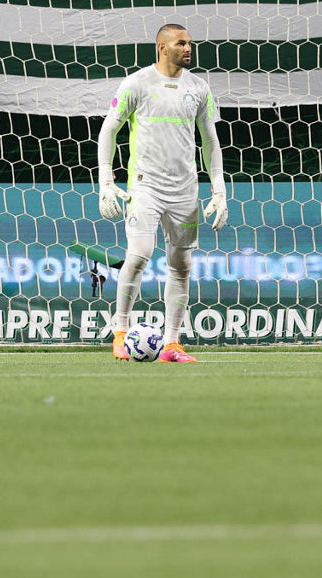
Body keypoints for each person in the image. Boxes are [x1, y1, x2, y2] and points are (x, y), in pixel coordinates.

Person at [96, 23, 227, 362]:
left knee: (180, 265)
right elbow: (109, 129)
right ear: (162, 47)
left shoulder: (199, 87)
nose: (188, 48)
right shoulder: (137, 83)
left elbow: (210, 141)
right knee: (138, 254)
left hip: (185, 189)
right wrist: (106, 181)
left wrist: (219, 191)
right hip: (145, 185)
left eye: (190, 42)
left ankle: (172, 344)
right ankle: (121, 334)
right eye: (181, 43)